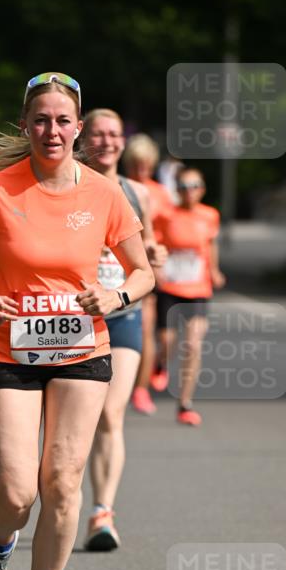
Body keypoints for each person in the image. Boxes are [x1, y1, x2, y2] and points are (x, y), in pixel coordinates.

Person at [0, 72, 154, 570]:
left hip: (82, 347)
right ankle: (0, 543)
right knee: (17, 495)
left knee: (62, 483)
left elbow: (143, 271)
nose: (52, 130)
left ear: (78, 128)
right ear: (25, 126)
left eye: (62, 121)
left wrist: (116, 297)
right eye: (41, 120)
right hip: (8, 347)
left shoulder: (104, 193)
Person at [78, 109, 165, 551]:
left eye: (115, 134)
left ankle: (102, 512)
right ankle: (57, 499)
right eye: (99, 133)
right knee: (75, 420)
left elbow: (144, 250)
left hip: (124, 312)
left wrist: (155, 253)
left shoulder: (137, 192)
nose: (108, 141)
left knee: (111, 414)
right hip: (75, 316)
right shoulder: (70, 184)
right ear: (83, 137)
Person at [152, 168, 225, 426]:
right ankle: (160, 363)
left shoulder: (210, 215)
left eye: (194, 185)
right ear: (177, 189)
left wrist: (214, 270)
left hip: (198, 289)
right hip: (170, 288)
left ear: (202, 189)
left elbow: (211, 244)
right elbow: (156, 245)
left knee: (193, 345)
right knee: (167, 342)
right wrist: (156, 270)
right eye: (183, 186)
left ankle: (185, 403)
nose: (189, 191)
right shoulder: (165, 215)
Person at [122, 134, 175, 416]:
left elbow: (171, 233)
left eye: (145, 165)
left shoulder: (160, 194)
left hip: (150, 267)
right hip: (119, 266)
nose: (140, 170)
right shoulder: (117, 186)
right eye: (135, 164)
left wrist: (163, 262)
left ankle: (141, 388)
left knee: (146, 329)